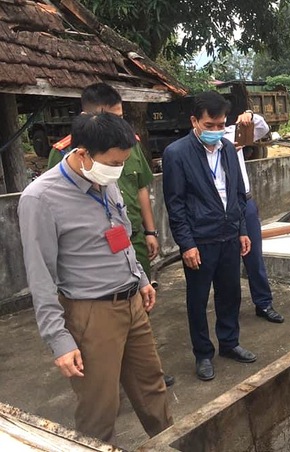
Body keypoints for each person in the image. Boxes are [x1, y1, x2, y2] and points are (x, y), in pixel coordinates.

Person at [18, 113, 173, 443]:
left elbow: (120, 236)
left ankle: (172, 444)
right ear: (82, 153)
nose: (118, 170)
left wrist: (141, 278)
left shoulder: (107, 181)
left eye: (123, 162)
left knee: (153, 388)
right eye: (113, 162)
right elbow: (41, 277)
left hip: (132, 303)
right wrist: (59, 341)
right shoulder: (41, 198)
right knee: (100, 408)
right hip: (92, 315)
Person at [47, 82, 174, 387]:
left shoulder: (120, 156)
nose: (118, 124)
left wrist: (149, 232)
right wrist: (58, 339)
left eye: (121, 116)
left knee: (141, 327)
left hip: (127, 255)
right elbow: (42, 272)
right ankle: (109, 378)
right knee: (99, 387)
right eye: (110, 117)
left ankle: (135, 369)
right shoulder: (56, 171)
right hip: (89, 284)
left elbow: (138, 194)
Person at [162, 91, 255, 382]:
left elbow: (237, 193)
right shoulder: (177, 154)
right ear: (194, 121)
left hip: (228, 235)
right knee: (198, 299)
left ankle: (229, 343)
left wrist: (241, 230)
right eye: (209, 125)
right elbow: (175, 204)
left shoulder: (228, 149)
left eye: (220, 125)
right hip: (200, 240)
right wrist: (186, 244)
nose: (215, 131)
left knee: (230, 294)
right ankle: (203, 353)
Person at [224, 110, 284, 323]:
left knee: (254, 257)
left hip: (245, 203)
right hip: (222, 209)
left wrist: (248, 114)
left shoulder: (234, 134)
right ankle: (230, 311)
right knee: (228, 262)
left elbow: (263, 127)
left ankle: (264, 303)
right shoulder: (201, 146)